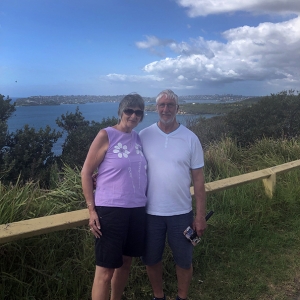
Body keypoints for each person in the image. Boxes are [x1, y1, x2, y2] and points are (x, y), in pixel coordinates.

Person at [139, 89, 207, 300]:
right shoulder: (144, 135)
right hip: (150, 213)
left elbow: (199, 180)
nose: (166, 109)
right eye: (162, 105)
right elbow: (128, 167)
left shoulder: (190, 138)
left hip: (181, 212)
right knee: (151, 259)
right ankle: (158, 296)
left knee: (184, 261)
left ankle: (182, 297)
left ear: (177, 109)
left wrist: (200, 216)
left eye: (170, 105)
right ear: (156, 108)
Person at [81, 93, 147, 300]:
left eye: (138, 112)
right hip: (110, 210)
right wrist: (91, 210)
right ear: (121, 111)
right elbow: (86, 172)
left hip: (136, 209)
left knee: (125, 263)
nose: (133, 115)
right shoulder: (106, 135)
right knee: (105, 270)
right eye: (129, 110)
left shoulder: (138, 138)